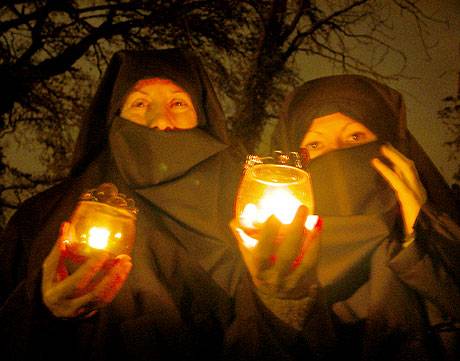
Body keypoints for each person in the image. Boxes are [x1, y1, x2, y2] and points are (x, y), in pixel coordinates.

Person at [0, 49, 319, 361]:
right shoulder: (43, 218)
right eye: (139, 103)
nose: (160, 122)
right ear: (113, 118)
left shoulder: (261, 209)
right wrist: (46, 312)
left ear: (203, 117)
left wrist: (281, 297)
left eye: (178, 103)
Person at [266, 74, 460, 360]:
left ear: (394, 148)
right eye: (316, 146)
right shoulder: (270, 258)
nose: (337, 154)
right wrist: (279, 296)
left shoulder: (446, 243)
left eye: (355, 137)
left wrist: (418, 240)